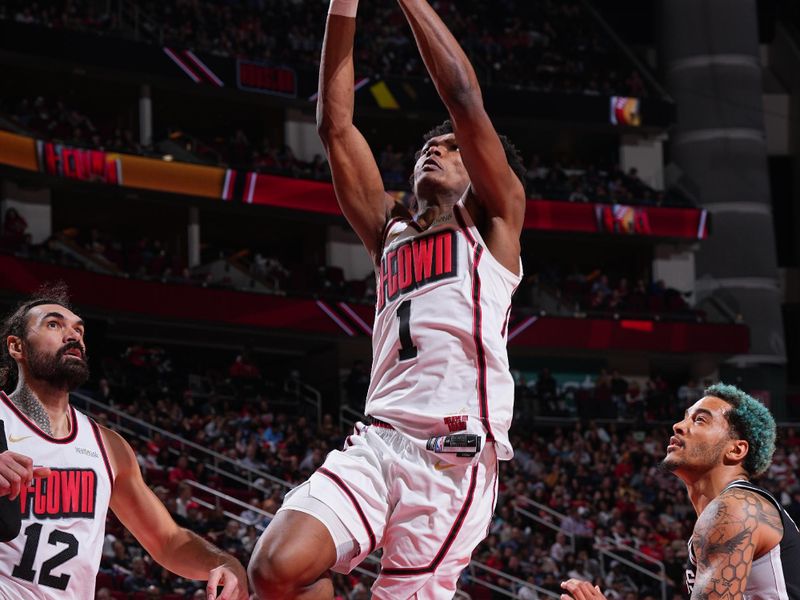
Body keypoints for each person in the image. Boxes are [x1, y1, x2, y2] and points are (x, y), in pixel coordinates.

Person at [248, 0, 526, 597]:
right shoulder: (388, 232)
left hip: (452, 462)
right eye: (430, 145)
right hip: (378, 440)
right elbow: (335, 125)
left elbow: (463, 98)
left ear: (479, 171)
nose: (437, 148)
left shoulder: (494, 227)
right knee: (275, 570)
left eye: (453, 148)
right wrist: (342, 5)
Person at [0, 286, 248, 599]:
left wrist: (224, 562)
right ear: (16, 347)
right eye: (54, 325)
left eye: (79, 329)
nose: (73, 335)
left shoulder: (108, 447)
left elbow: (168, 541)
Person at [561, 383, 800, 600]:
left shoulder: (734, 507)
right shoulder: (729, 511)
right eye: (685, 418)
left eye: (700, 420)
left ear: (736, 450)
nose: (678, 426)